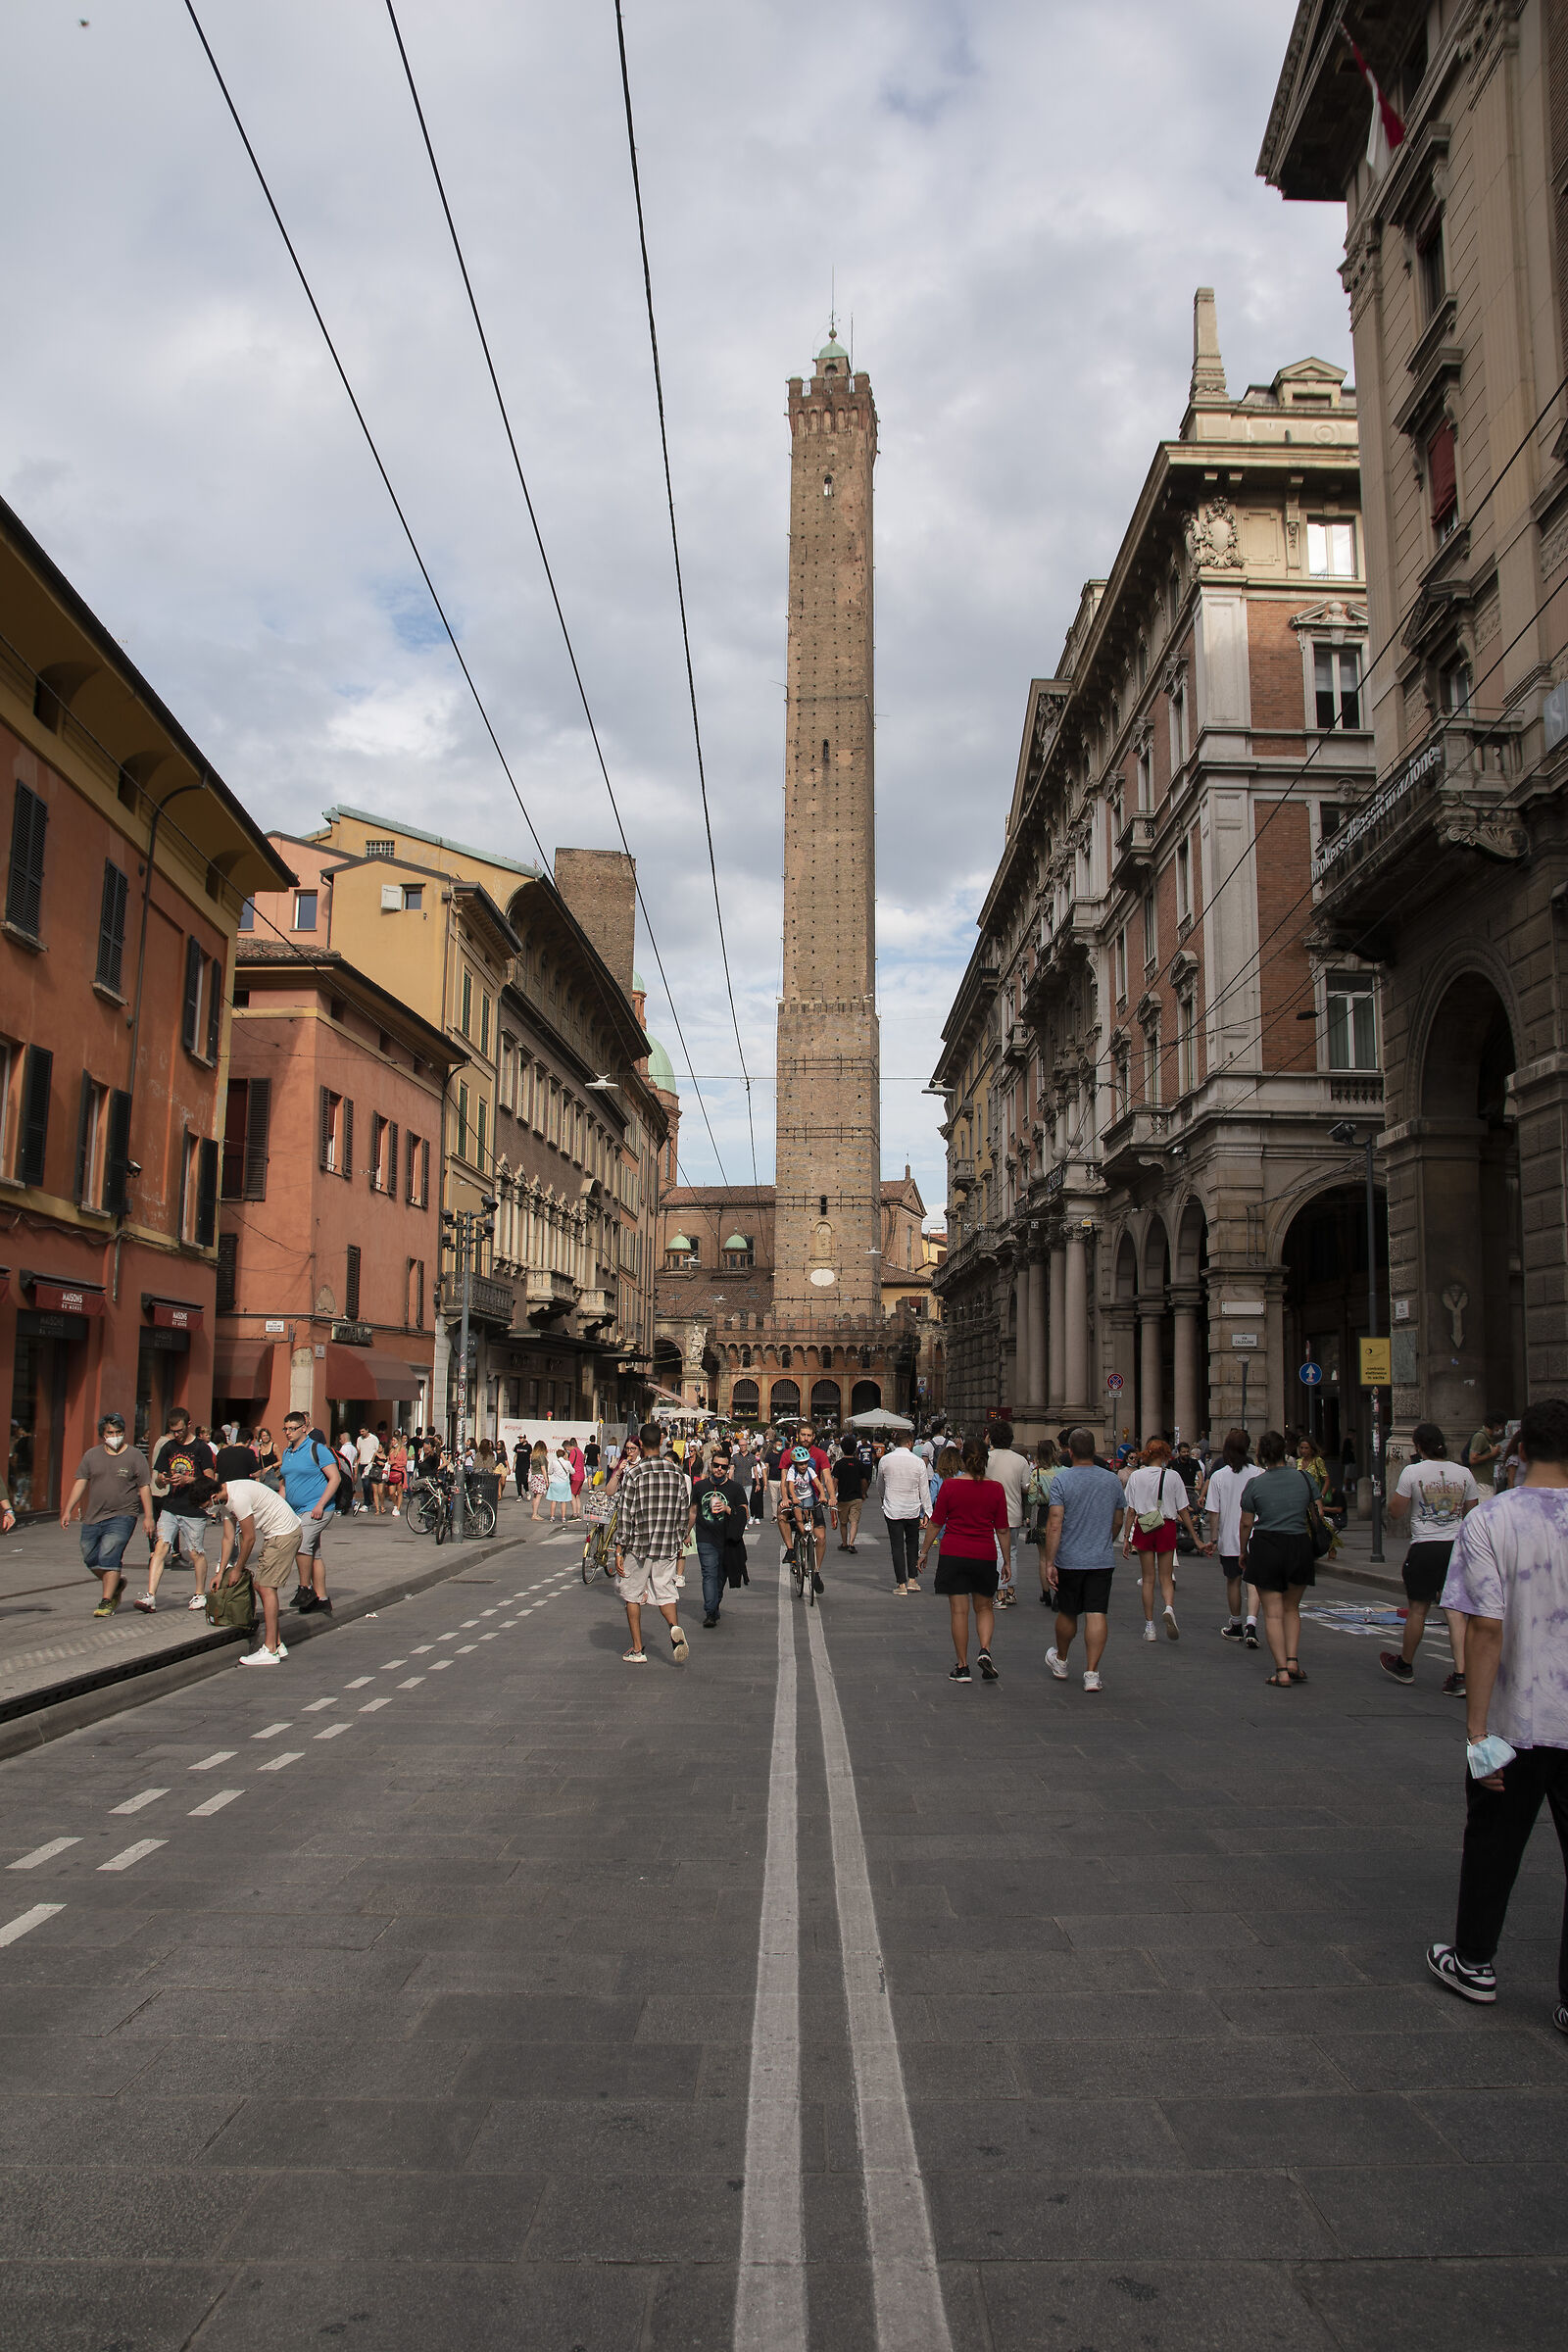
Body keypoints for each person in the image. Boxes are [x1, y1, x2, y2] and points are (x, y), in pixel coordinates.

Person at [1426, 1396, 1568, 2036]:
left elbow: (1484, 1628)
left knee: (1493, 1843)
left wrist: (1476, 1729)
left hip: (1517, 1720)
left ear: (1517, 1451)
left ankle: (1475, 1961)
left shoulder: (1491, 1520)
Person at [1382, 1423, 1482, 1690]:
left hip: (1425, 1546)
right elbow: (1472, 1514)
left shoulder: (1412, 1472)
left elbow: (1395, 1511)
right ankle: (1461, 1675)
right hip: (1456, 1547)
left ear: (1417, 1446)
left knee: (1418, 1609)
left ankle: (1405, 1664)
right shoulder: (1464, 1473)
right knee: (1456, 1611)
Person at [1043, 1426, 1128, 1691]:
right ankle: (1092, 1672)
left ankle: (1062, 1660)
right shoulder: (1111, 1480)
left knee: (1068, 1611)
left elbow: (1055, 1523)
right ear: (1093, 1451)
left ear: (1069, 1451)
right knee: (1096, 1612)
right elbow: (1118, 1520)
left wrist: (1049, 1560)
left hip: (1069, 1558)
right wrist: (1106, 1538)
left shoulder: (1062, 1481)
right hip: (1101, 1558)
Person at [917, 1436, 1008, 1682]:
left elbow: (936, 1523)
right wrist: (1007, 1561)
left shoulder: (950, 1486)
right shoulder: (996, 1488)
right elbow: (1002, 1529)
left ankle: (962, 1666)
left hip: (954, 1553)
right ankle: (985, 1650)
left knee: (959, 1612)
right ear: (985, 1460)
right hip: (984, 1554)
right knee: (984, 1607)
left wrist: (924, 1552)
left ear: (963, 1460)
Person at [1239, 1430, 1319, 1689]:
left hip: (1267, 1545)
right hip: (1298, 1545)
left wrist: (1243, 1552)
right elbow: (1317, 1513)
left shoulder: (1255, 1485)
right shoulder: (1305, 1479)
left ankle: (1281, 1671)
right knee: (1291, 1608)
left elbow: (1246, 1523)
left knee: (1272, 1613)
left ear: (1261, 1455)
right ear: (1287, 1451)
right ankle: (1293, 1661)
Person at [613, 1419, 692, 1665]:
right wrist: (679, 1539)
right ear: (661, 1441)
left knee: (632, 1595)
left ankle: (638, 1649)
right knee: (666, 1592)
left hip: (638, 1546)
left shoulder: (634, 1473)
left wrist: (618, 1548)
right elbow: (683, 1511)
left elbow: (626, 1513)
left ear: (640, 1443)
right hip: (667, 1545)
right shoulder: (677, 1473)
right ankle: (673, 1627)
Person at [62, 1413, 154, 1616]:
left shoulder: (134, 1456)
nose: (115, 1436)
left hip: (124, 1514)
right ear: (103, 1435)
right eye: (110, 1433)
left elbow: (145, 1487)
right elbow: (81, 1482)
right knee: (89, 1555)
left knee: (109, 1554)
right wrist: (68, 1509)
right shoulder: (91, 1456)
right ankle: (116, 1584)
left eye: (118, 1432)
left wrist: (149, 1516)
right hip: (93, 1516)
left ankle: (106, 1601)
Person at [1121, 1435, 1210, 1642]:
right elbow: (1184, 1510)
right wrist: (1196, 1539)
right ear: (1164, 1455)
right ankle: (1169, 1607)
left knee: (1148, 1580)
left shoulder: (1137, 1476)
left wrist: (1127, 1538)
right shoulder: (1173, 1476)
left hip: (1145, 1525)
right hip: (1166, 1525)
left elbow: (1131, 1511)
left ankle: (1150, 1627)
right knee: (1166, 1576)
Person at [215, 1474, 304, 1668]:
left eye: (207, 1504)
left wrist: (237, 1569)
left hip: (283, 1533)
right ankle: (277, 1643)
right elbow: (228, 1538)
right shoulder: (225, 1496)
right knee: (261, 1584)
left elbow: (248, 1539)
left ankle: (270, 1649)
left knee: (265, 1587)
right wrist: (220, 1572)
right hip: (278, 1534)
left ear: (214, 1494)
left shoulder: (238, 1498)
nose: (209, 1510)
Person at [136, 1409, 218, 1613]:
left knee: (195, 1552)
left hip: (194, 1508)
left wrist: (188, 1480)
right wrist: (162, 1479)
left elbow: (210, 1479)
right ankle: (150, 1595)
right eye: (173, 1431)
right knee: (160, 1549)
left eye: (180, 1430)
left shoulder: (201, 1448)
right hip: (171, 1506)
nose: (177, 1435)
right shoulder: (168, 1447)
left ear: (189, 1424)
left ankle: (199, 1594)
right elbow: (157, 1478)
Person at [276, 1412, 341, 1615]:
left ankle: (305, 1589)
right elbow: (285, 1483)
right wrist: (280, 1506)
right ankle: (321, 1599)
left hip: (316, 1508)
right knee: (314, 1553)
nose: (288, 1432)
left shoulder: (317, 1449)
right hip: (296, 1510)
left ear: (304, 1427)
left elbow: (335, 1478)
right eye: (285, 1429)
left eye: (292, 1428)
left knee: (301, 1545)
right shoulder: (288, 1452)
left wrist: (320, 1504)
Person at [1203, 1429, 1261, 1646]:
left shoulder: (1219, 1476)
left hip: (1229, 1538)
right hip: (1256, 1536)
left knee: (1233, 1581)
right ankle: (1252, 1625)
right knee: (1253, 1583)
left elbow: (1214, 1512)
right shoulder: (1259, 1473)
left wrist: (1214, 1539)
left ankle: (1236, 1624)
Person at [690, 1444, 749, 1627]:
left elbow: (744, 1513)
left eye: (723, 1467)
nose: (719, 1470)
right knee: (709, 1573)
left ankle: (714, 1606)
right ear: (711, 1465)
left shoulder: (736, 1488)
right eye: (716, 1466)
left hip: (727, 1539)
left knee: (721, 1576)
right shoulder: (700, 1486)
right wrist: (685, 1532)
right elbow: (693, 1510)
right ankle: (710, 1612)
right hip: (705, 1536)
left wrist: (728, 1509)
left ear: (728, 1467)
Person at [874, 1429, 929, 1593]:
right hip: (912, 1508)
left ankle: (901, 1584)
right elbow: (924, 1489)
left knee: (896, 1546)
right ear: (910, 1443)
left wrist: (884, 1499)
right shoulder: (918, 1462)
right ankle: (912, 1579)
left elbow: (879, 1485)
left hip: (893, 1509)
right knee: (912, 1544)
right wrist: (928, 1512)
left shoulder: (885, 1460)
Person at [984, 1421, 1031, 1608]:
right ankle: (1010, 1590)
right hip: (1013, 1511)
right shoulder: (1020, 1460)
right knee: (1011, 1551)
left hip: (992, 1513)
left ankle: (1000, 1592)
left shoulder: (986, 1457)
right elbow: (1026, 1487)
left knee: (997, 1551)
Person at [1025, 1439, 1059, 1604]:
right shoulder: (1065, 1471)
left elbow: (1031, 1499)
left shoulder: (1036, 1473)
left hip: (1044, 1514)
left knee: (1044, 1557)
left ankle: (1046, 1594)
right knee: (1060, 1555)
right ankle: (1059, 1592)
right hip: (1061, 1514)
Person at [834, 1438, 867, 1551]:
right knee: (854, 1521)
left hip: (842, 1498)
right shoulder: (859, 1464)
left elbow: (835, 1481)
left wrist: (833, 1495)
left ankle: (844, 1543)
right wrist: (863, 1493)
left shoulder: (839, 1464)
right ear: (855, 1449)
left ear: (842, 1449)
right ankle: (851, 1543)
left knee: (843, 1523)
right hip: (856, 1497)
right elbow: (864, 1481)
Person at [387, 1432, 410, 1515]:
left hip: (400, 1472)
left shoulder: (402, 1450)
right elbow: (389, 1460)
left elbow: (404, 1462)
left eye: (394, 1440)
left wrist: (395, 1462)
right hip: (392, 1472)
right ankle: (395, 1505)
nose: (392, 1441)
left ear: (397, 1441)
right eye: (392, 1440)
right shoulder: (391, 1450)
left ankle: (398, 1508)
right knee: (391, 1492)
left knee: (399, 1491)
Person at [528, 1440, 550, 1521]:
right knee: (539, 1495)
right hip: (540, 1476)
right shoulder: (541, 1457)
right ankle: (534, 1514)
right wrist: (547, 1480)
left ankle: (535, 1513)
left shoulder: (534, 1457)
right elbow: (543, 1469)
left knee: (535, 1496)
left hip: (534, 1476)